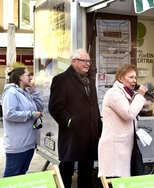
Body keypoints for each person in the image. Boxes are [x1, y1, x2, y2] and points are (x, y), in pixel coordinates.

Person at [49, 49, 102, 188]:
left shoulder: (89, 80)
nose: (88, 64)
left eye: (89, 61)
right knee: (66, 173)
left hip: (89, 136)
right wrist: (71, 122)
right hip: (72, 135)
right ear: (74, 62)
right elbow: (55, 107)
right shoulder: (61, 79)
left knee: (86, 174)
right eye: (84, 61)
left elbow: (94, 107)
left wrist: (99, 129)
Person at [98, 64, 147, 178]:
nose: (134, 80)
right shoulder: (114, 93)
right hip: (115, 149)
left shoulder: (127, 94)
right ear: (120, 78)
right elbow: (129, 114)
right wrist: (140, 96)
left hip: (124, 147)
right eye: (131, 77)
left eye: (135, 77)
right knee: (114, 181)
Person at [2, 67, 43, 177]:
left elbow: (40, 108)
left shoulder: (25, 93)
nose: (31, 78)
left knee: (20, 176)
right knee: (11, 177)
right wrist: (31, 114)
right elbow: (9, 114)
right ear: (20, 77)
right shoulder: (11, 93)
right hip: (17, 146)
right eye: (28, 75)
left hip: (28, 144)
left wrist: (34, 91)